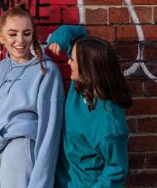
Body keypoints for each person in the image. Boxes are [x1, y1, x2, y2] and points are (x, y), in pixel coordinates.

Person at [0, 4, 65, 188]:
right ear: (1, 37)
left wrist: (41, 182)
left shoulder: (47, 71)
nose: (20, 40)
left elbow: (50, 130)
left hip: (21, 150)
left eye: (27, 33)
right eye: (13, 34)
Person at [47, 25, 132, 188]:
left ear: (87, 69)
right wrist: (60, 37)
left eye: (72, 59)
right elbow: (78, 32)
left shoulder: (110, 124)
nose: (68, 61)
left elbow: (117, 170)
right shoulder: (79, 86)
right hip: (60, 180)